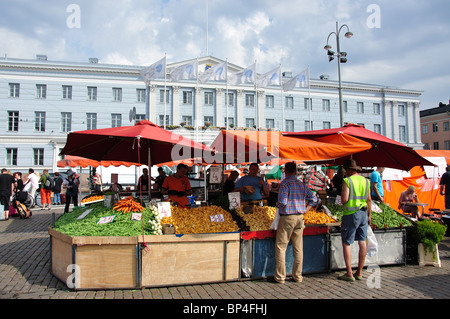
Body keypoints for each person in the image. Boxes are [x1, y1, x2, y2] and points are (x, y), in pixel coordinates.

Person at [273, 162, 316, 284]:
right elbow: (314, 199)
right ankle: (297, 276)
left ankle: (280, 277)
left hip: (287, 217)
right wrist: (305, 210)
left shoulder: (285, 184)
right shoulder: (301, 184)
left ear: (285, 170)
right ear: (296, 171)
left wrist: (277, 205)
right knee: (298, 248)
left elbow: (282, 201)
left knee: (281, 247)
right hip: (300, 217)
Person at [339, 159, 372, 282]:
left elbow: (344, 199)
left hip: (351, 214)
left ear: (349, 169)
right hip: (364, 213)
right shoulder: (366, 181)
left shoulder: (347, 181)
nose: (344, 172)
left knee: (346, 242)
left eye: (345, 170)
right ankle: (359, 272)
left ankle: (349, 273)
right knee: (362, 242)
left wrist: (342, 198)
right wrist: (369, 215)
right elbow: (369, 199)